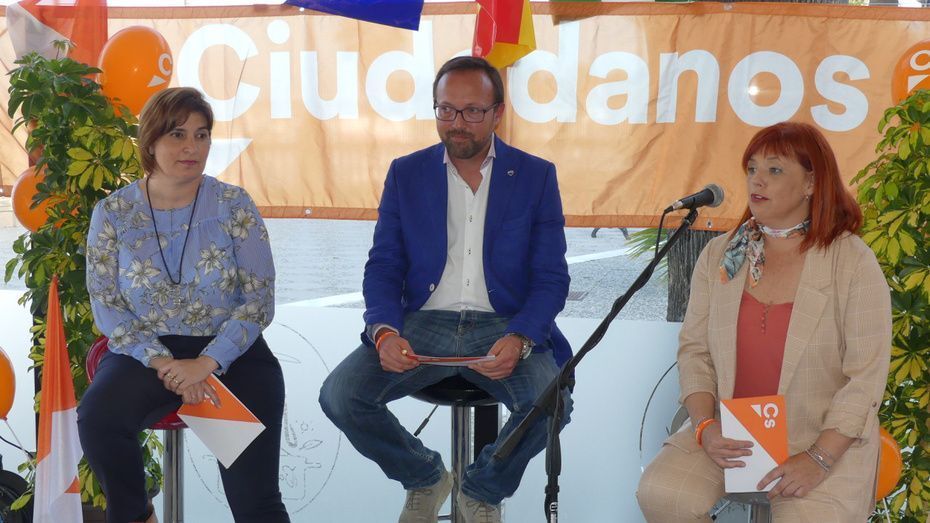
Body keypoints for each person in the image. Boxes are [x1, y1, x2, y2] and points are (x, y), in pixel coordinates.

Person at [319, 56, 573, 523]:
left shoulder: (535, 176)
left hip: (504, 323)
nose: (457, 123)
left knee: (552, 403)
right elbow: (384, 266)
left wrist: (521, 337)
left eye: (473, 110)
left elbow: (551, 277)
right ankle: (425, 476)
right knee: (340, 396)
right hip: (424, 322)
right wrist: (384, 331)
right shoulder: (406, 173)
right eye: (446, 110)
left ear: (498, 113)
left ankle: (481, 489)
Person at [636, 121, 891, 521]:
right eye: (752, 168)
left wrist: (819, 457)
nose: (757, 179)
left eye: (774, 170)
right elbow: (695, 350)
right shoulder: (722, 254)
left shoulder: (852, 261)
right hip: (729, 431)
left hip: (822, 439)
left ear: (811, 183)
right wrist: (705, 427)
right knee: (663, 494)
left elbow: (866, 377)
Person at [78, 87, 289, 523]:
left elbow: (258, 298)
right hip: (146, 356)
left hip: (231, 355)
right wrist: (168, 365)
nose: (192, 147)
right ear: (150, 141)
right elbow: (107, 304)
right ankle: (138, 516)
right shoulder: (113, 212)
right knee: (98, 420)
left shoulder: (233, 205)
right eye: (177, 134)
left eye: (202, 134)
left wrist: (206, 364)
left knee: (256, 505)